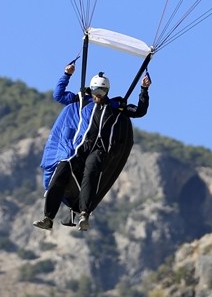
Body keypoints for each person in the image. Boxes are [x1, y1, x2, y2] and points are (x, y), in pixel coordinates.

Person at [34, 63, 150, 232]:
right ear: (91, 89)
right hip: (81, 146)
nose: (98, 95)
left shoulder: (117, 106)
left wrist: (144, 89)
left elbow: (139, 111)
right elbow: (58, 95)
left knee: (91, 174)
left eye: (101, 92)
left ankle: (84, 214)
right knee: (62, 169)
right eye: (95, 91)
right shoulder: (82, 100)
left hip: (100, 149)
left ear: (107, 92)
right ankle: (48, 217)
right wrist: (66, 75)